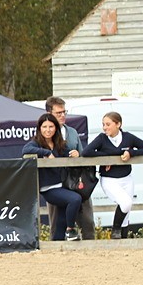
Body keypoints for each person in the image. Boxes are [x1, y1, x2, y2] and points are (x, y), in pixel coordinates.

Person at [82, 111, 143, 239]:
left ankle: (123, 240)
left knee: (126, 211)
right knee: (125, 203)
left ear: (118, 124)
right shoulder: (102, 138)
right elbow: (86, 152)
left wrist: (131, 152)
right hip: (109, 179)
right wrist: (109, 158)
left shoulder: (128, 137)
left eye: (108, 124)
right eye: (103, 124)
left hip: (127, 179)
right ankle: (115, 230)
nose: (105, 127)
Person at [22, 113, 83, 241]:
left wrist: (75, 153)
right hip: (48, 188)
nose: (48, 130)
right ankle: (71, 231)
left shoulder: (60, 143)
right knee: (75, 199)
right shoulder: (36, 143)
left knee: (61, 218)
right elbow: (26, 150)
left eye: (51, 126)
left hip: (62, 185)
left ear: (56, 128)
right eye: (44, 127)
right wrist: (46, 152)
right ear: (39, 128)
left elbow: (69, 154)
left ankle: (58, 243)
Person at [45, 96, 95, 239]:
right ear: (49, 114)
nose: (62, 116)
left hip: (75, 180)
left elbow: (82, 153)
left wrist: (78, 154)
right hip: (56, 183)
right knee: (56, 224)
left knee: (87, 221)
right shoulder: (46, 134)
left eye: (64, 112)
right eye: (58, 113)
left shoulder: (72, 132)